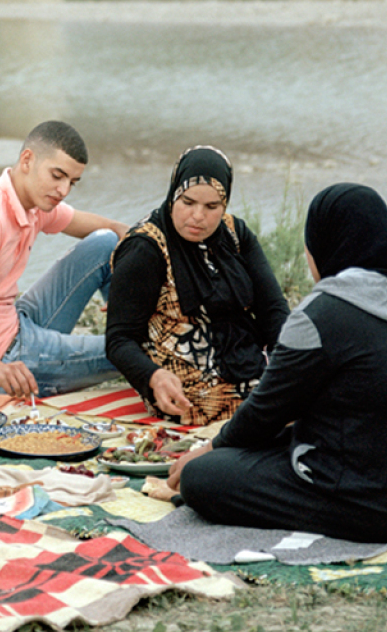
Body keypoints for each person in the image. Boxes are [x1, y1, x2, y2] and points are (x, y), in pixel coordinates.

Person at [172, 183, 387, 542]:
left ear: (325, 244)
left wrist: (203, 452)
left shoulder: (326, 312)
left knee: (204, 477)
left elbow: (263, 415)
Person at [0, 120, 130, 403]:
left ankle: (132, 326)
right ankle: (142, 343)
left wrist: (128, 249)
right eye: (57, 175)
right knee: (138, 349)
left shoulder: (32, 200)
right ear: (27, 160)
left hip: (15, 323)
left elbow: (107, 230)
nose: (63, 190)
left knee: (107, 241)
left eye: (72, 182)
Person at [105, 145, 291, 426]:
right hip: (183, 392)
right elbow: (119, 340)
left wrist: (286, 367)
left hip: (250, 371)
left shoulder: (235, 234)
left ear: (224, 204)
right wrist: (153, 377)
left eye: (211, 207)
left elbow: (273, 309)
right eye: (188, 202)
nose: (197, 216)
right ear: (173, 195)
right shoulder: (145, 249)